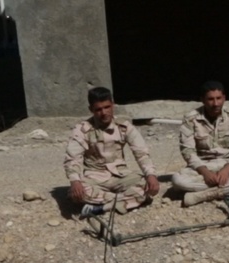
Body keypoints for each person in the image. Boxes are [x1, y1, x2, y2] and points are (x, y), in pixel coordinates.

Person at [64, 86, 159, 217]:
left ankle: (101, 208)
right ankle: (126, 200)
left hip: (121, 175)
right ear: (91, 110)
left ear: (113, 105)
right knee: (76, 194)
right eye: (98, 109)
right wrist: (75, 181)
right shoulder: (82, 129)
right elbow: (73, 157)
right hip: (95, 177)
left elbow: (141, 153)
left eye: (107, 107)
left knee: (147, 186)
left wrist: (150, 175)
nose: (104, 113)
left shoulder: (124, 126)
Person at [174, 80, 229, 207]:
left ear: (224, 98)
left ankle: (203, 195)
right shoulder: (191, 119)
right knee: (178, 181)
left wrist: (227, 169)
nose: (215, 103)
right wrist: (205, 172)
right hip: (203, 165)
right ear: (202, 100)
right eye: (210, 99)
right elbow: (187, 151)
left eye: (219, 98)